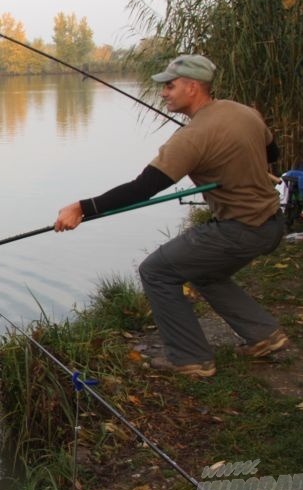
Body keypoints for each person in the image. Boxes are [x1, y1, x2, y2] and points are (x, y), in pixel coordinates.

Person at [53, 54, 288, 377]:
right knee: (205, 271)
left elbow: (143, 188)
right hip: (272, 223)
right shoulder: (243, 112)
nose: (163, 92)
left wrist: (81, 207)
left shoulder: (192, 138)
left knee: (156, 271)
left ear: (193, 87)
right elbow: (272, 153)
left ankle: (191, 359)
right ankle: (264, 335)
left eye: (170, 86)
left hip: (240, 229)